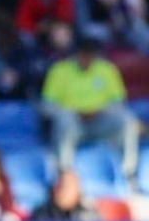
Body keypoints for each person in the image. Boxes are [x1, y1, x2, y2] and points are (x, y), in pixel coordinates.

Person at [42, 34, 141, 179]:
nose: (87, 59)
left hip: (101, 120)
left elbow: (119, 102)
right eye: (83, 55)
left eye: (91, 55)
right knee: (64, 120)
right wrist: (74, 112)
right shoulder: (59, 70)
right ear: (76, 54)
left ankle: (128, 173)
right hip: (73, 123)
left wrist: (99, 110)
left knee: (127, 120)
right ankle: (64, 174)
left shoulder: (107, 69)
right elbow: (47, 106)